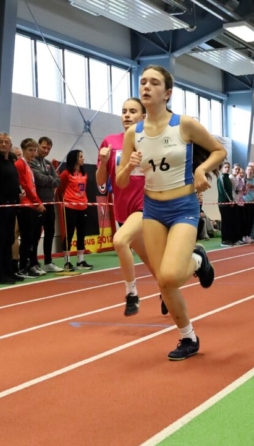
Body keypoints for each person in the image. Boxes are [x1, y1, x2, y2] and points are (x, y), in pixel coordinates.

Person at [117, 65, 224, 361]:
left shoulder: (184, 124)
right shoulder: (133, 134)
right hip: (153, 209)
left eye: (154, 83)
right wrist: (129, 166)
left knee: (171, 276)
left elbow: (218, 151)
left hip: (183, 207)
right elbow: (121, 181)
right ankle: (188, 338)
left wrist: (201, 170)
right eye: (143, 82)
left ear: (167, 93)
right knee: (163, 282)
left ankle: (198, 258)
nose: (146, 87)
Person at [96, 97, 164, 316]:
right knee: (149, 259)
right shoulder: (110, 142)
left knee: (119, 241)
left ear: (143, 116)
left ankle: (131, 293)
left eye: (132, 111)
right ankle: (168, 289)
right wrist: (103, 161)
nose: (127, 115)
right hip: (122, 208)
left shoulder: (152, 141)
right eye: (124, 111)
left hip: (146, 204)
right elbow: (100, 182)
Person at [0, 133, 24, 284]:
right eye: (0, 142)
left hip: (11, 206)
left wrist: (18, 196)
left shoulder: (11, 163)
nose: (3, 144)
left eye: (6, 142)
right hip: (0, 207)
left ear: (10, 145)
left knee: (9, 239)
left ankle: (9, 271)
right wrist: (2, 203)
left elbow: (13, 183)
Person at [30, 137, 63, 273]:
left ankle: (48, 262)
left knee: (50, 233)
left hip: (50, 203)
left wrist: (47, 180)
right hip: (37, 204)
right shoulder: (32, 162)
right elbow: (38, 179)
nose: (46, 150)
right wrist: (50, 179)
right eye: (44, 147)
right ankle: (33, 263)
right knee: (35, 234)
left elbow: (58, 181)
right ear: (38, 146)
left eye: (48, 149)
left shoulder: (48, 163)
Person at [57, 150, 93, 271]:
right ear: (74, 158)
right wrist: (64, 201)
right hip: (70, 207)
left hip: (83, 207)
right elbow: (60, 189)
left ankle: (80, 261)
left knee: (81, 234)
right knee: (69, 234)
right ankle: (67, 262)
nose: (83, 159)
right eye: (80, 156)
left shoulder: (84, 173)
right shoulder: (66, 173)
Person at [15, 138, 46, 278]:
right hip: (26, 205)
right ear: (23, 150)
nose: (33, 153)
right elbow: (25, 186)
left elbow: (32, 186)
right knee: (26, 238)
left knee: (33, 238)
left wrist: (37, 202)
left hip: (32, 205)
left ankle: (30, 265)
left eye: (34, 150)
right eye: (30, 150)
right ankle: (22, 267)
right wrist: (37, 202)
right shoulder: (20, 164)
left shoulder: (28, 165)